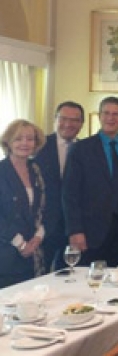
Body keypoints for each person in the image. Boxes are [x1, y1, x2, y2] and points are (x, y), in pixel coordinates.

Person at [63, 96, 118, 267]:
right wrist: (75, 231)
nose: (110, 118)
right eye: (106, 113)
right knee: (89, 279)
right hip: (90, 233)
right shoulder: (81, 148)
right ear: (99, 116)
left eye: (116, 114)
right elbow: (70, 194)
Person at [35, 101, 85, 272]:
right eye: (63, 119)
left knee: (71, 274)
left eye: (75, 120)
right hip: (43, 226)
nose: (68, 124)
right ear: (55, 119)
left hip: (76, 227)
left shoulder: (87, 149)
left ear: (81, 123)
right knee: (40, 276)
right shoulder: (38, 146)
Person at [0, 120, 47, 288]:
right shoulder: (2, 171)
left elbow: (43, 208)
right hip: (6, 254)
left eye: (30, 139)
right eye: (18, 139)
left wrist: (38, 237)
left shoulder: (36, 170)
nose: (25, 143)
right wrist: (20, 243)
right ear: (8, 142)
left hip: (35, 253)